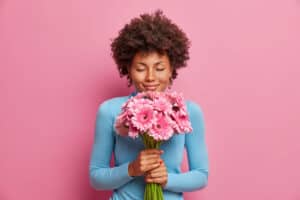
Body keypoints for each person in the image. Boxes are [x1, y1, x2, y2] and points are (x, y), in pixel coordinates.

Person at [89, 10, 209, 200]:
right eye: (140, 68)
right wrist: (132, 169)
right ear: (128, 69)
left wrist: (167, 180)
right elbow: (96, 178)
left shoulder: (189, 111)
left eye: (159, 68)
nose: (151, 77)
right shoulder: (109, 111)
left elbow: (201, 175)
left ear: (172, 69)